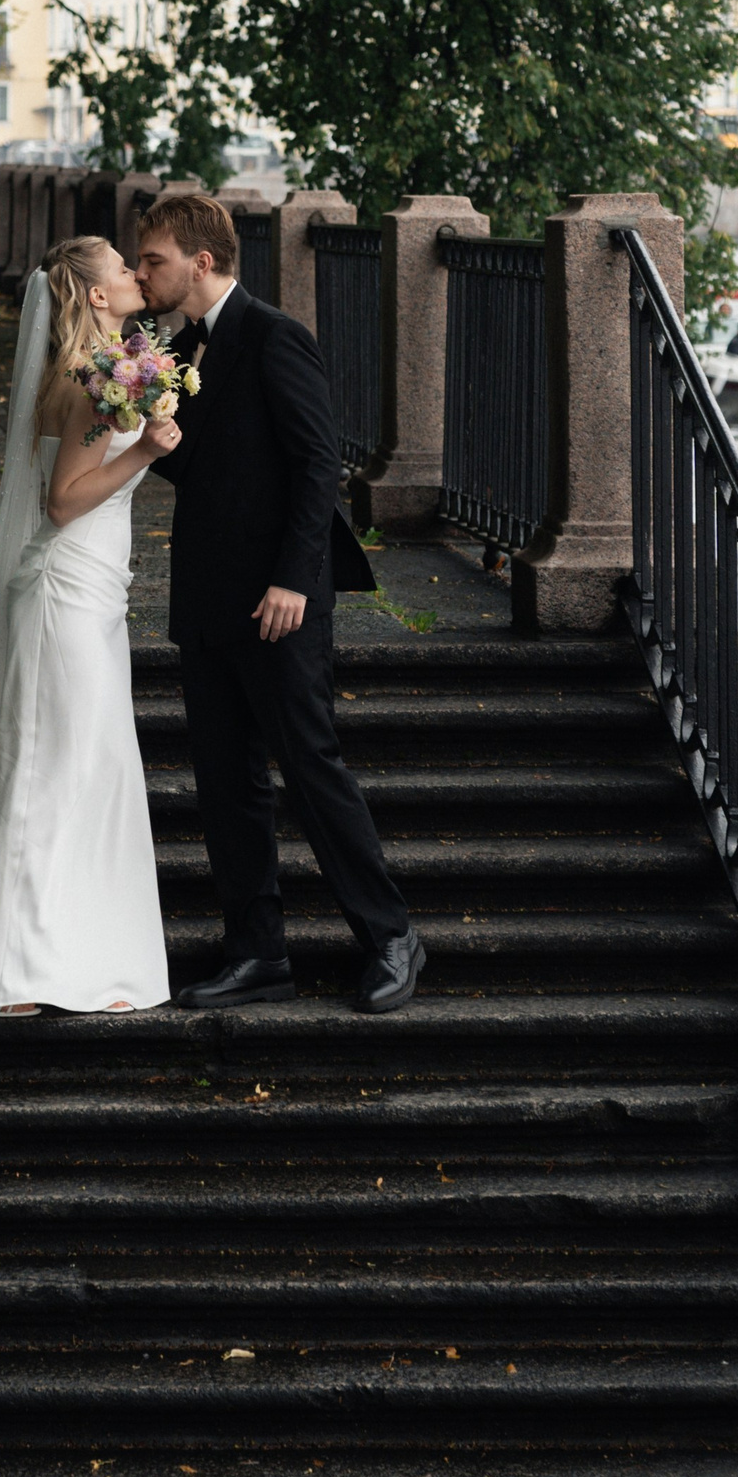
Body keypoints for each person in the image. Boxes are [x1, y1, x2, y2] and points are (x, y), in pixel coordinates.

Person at [135, 193, 424, 1016]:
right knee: (226, 782)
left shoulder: (274, 335)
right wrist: (141, 417)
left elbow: (317, 462)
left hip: (279, 599)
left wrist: (295, 579)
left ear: (201, 261)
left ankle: (392, 936)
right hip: (207, 594)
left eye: (153, 260)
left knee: (309, 767)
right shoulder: (178, 350)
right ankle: (257, 953)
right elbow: (192, 466)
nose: (143, 274)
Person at [0, 237, 179, 1018]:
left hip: (94, 592)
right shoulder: (87, 381)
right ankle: (6, 970)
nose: (135, 274)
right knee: (53, 770)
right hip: (65, 593)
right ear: (97, 297)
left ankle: (88, 956)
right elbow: (65, 501)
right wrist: (144, 451)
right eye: (122, 268)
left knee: (93, 768)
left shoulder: (101, 371)